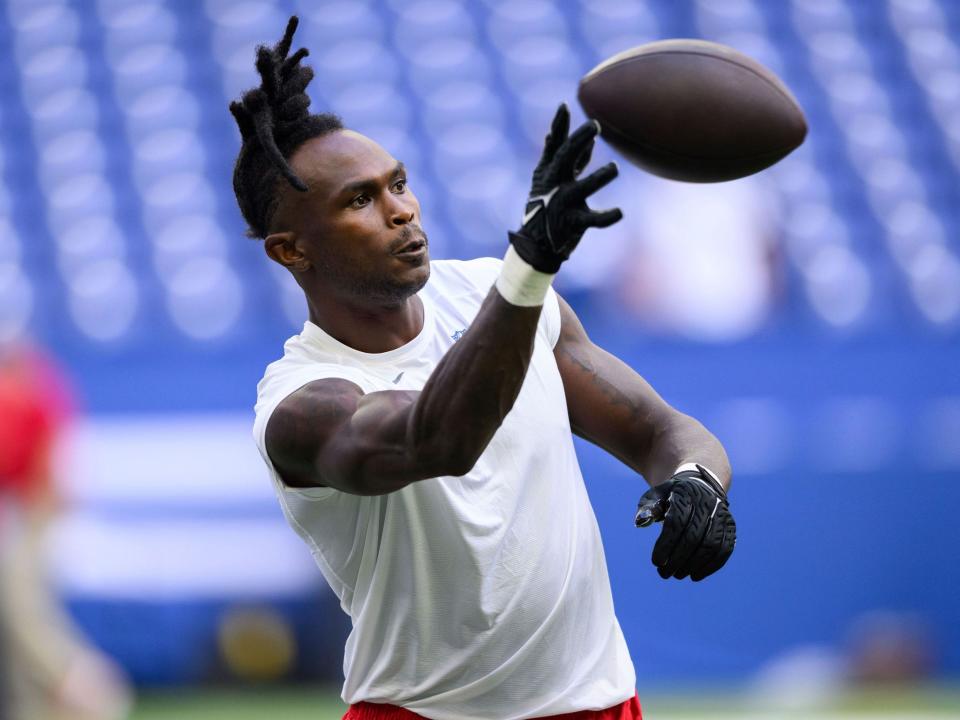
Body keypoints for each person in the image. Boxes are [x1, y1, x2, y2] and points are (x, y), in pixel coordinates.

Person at [236, 18, 737, 720]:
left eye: (399, 183)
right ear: (290, 251)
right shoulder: (299, 406)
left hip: (598, 706)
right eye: (360, 200)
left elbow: (660, 430)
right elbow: (437, 439)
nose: (402, 211)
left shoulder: (489, 291)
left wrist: (696, 481)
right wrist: (527, 274)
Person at [0, 340, 130, 720]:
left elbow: (41, 472)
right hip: (28, 510)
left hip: (36, 512)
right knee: (20, 610)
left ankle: (85, 686)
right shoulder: (33, 395)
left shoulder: (27, 398)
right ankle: (35, 704)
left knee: (22, 605)